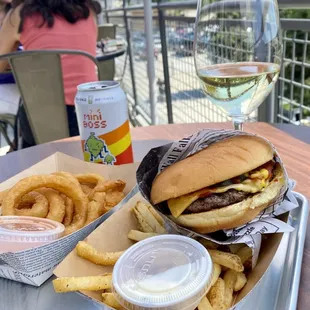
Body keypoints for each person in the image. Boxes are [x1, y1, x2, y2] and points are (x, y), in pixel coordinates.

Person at [0, 0, 101, 148]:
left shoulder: (20, 14)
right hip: (91, 114)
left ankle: (18, 149)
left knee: (24, 98)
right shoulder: (88, 10)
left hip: (42, 120)